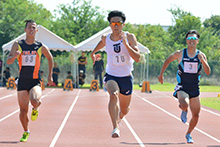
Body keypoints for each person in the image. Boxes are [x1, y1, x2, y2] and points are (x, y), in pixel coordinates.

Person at [90, 10, 140, 138]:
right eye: (113, 23)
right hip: (111, 75)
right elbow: (101, 43)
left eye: (118, 23)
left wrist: (126, 45)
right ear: (110, 25)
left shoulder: (130, 37)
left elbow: (137, 57)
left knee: (124, 110)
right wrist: (93, 52)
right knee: (113, 95)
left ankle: (120, 117)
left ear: (123, 24)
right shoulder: (106, 38)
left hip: (126, 77)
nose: (116, 26)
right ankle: (115, 128)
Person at [158, 30, 211, 144]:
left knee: (196, 116)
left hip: (195, 88)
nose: (192, 41)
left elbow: (207, 72)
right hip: (182, 86)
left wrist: (203, 61)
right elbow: (167, 60)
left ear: (197, 41)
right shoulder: (180, 53)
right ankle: (184, 110)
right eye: (190, 39)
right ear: (187, 41)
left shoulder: (201, 55)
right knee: (184, 103)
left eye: (194, 39)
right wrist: (161, 74)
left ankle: (188, 134)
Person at [6, 20, 53, 142]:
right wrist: (14, 56)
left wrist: (50, 75)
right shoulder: (18, 44)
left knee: (35, 100)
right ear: (25, 30)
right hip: (22, 81)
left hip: (35, 80)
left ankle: (36, 108)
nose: (32, 30)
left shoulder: (40, 46)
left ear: (36, 31)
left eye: (34, 28)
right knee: (22, 110)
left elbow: (50, 57)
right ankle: (26, 131)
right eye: (29, 28)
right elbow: (8, 61)